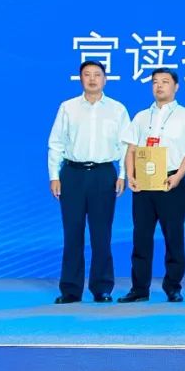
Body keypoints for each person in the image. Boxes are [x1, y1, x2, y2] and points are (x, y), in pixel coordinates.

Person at [47, 60, 130, 303]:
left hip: (104, 174)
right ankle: (70, 289)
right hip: (72, 174)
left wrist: (123, 174)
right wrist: (54, 176)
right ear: (80, 78)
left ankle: (102, 287)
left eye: (97, 74)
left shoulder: (117, 109)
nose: (92, 79)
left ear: (105, 79)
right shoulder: (68, 107)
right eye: (87, 74)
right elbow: (56, 143)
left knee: (101, 234)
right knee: (72, 233)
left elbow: (126, 146)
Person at [119, 68, 185, 303]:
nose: (159, 86)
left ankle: (173, 286)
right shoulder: (141, 117)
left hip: (170, 181)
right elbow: (131, 149)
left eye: (165, 82)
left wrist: (179, 176)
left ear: (176, 87)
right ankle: (139, 289)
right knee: (141, 237)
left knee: (173, 236)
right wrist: (130, 176)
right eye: (155, 82)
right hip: (144, 183)